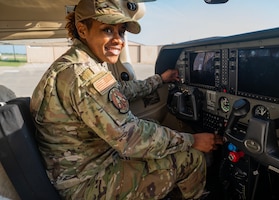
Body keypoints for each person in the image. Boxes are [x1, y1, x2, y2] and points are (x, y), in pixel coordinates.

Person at [30, 0, 223, 199]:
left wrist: (160, 79)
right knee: (192, 158)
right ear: (82, 30)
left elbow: (120, 90)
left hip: (77, 168)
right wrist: (192, 141)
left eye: (120, 32)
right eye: (107, 30)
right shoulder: (85, 75)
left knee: (154, 126)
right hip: (85, 184)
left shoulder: (75, 63)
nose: (118, 40)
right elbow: (131, 137)